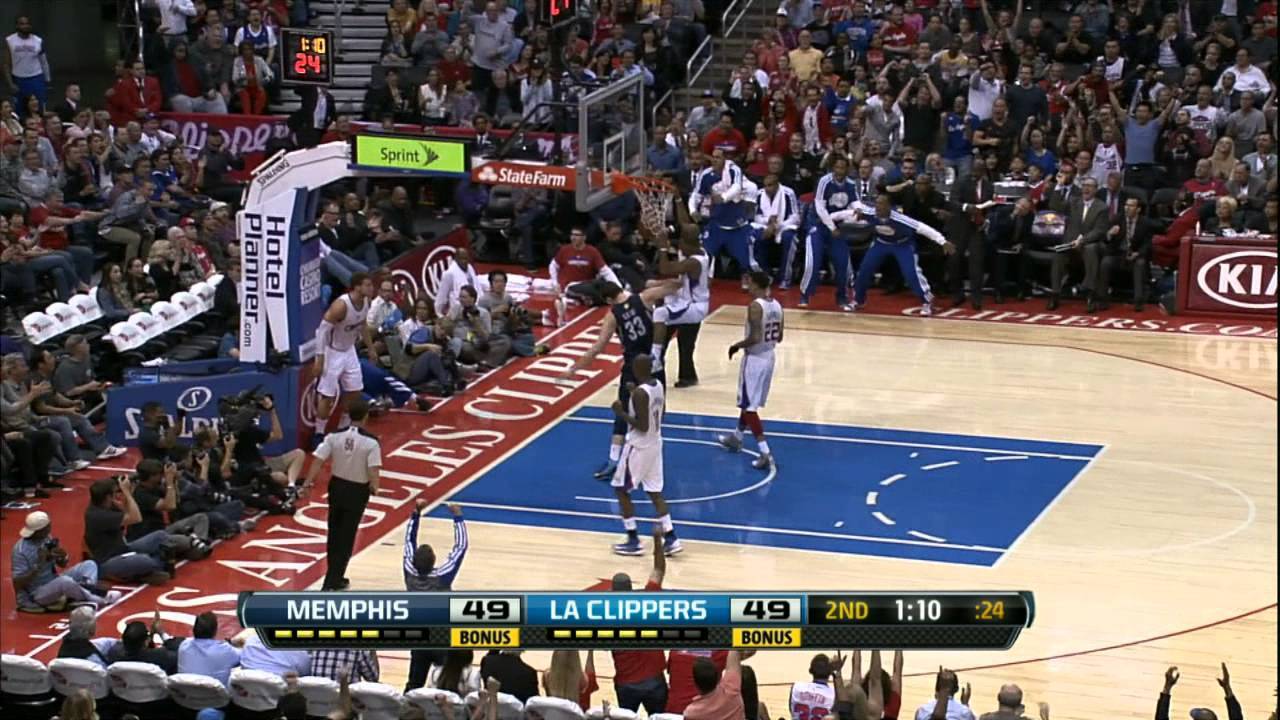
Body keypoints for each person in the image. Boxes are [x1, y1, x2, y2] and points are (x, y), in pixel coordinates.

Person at [559, 282, 669, 480]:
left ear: (609, 299)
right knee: (656, 411)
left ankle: (614, 459)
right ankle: (649, 458)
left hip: (632, 367)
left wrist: (574, 369)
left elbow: (598, 347)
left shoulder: (612, 315)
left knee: (623, 412)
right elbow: (670, 288)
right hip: (654, 364)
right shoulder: (643, 298)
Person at [303, 398, 381, 591]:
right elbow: (373, 469)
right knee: (347, 536)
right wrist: (375, 486)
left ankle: (335, 577)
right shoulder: (371, 442)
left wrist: (307, 482)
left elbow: (318, 460)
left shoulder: (333, 436)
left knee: (334, 533)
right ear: (365, 416)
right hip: (357, 491)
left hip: (337, 487)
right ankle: (331, 581)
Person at [608, 354, 679, 557]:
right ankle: (671, 537)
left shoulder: (640, 393)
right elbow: (660, 413)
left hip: (638, 447)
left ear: (638, 369)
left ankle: (633, 539)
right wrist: (633, 393)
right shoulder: (658, 385)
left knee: (621, 490)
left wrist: (621, 413)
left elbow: (642, 425)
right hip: (655, 444)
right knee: (654, 492)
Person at [717, 271, 783, 472]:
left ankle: (765, 452)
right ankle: (736, 438)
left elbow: (754, 337)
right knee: (748, 402)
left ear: (757, 285)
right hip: (770, 356)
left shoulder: (755, 306)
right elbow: (779, 336)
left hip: (754, 360)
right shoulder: (777, 305)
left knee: (750, 407)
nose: (748, 287)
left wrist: (736, 345)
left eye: (750, 283)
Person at [845, 195, 954, 315]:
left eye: (881, 204)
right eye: (876, 204)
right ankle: (858, 300)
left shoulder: (901, 219)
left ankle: (927, 301)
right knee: (864, 270)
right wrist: (853, 212)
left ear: (889, 207)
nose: (878, 207)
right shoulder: (869, 213)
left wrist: (943, 241)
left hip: (903, 245)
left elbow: (924, 229)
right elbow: (851, 208)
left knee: (911, 273)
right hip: (880, 243)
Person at [403, 500, 468, 691]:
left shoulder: (409, 572)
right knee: (446, 682)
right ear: (433, 560)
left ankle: (405, 706)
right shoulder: (442, 577)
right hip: (441, 637)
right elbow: (461, 547)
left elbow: (408, 541)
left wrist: (416, 513)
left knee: (414, 683)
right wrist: (458, 517)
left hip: (419, 637)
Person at [12, 511, 122, 611]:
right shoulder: (20, 551)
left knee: (89, 564)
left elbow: (62, 564)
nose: (49, 529)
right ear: (38, 531)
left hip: (54, 580)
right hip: (37, 593)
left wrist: (62, 557)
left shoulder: (46, 538)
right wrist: (39, 564)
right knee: (65, 582)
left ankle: (81, 592)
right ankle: (99, 599)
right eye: (47, 528)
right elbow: (17, 583)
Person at [313, 272, 378, 437]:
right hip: (332, 351)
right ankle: (319, 432)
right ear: (357, 287)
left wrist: (371, 348)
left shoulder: (366, 302)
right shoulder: (341, 305)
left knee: (355, 391)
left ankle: (343, 427)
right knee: (327, 396)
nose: (371, 288)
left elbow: (363, 324)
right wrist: (320, 357)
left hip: (349, 350)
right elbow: (322, 331)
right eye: (368, 285)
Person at [652, 230, 711, 388]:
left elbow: (665, 269)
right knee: (684, 343)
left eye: (681, 244)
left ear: (688, 244)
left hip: (693, 306)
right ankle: (686, 376)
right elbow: (686, 226)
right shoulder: (701, 251)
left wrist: (663, 248)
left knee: (660, 314)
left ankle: (655, 358)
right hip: (686, 302)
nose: (679, 247)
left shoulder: (694, 262)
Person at [800, 155, 857, 309]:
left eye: (843, 168)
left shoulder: (851, 184)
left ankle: (842, 297)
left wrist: (858, 209)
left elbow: (855, 202)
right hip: (818, 225)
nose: (840, 171)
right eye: (837, 167)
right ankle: (805, 294)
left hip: (838, 228)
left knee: (843, 263)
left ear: (847, 169)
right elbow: (820, 207)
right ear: (832, 168)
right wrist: (831, 227)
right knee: (813, 263)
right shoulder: (824, 182)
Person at [177, 611, 243, 686]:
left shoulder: (184, 646)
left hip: (187, 692)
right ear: (215, 630)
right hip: (217, 693)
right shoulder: (225, 650)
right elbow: (245, 656)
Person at [683, 650, 745, 720]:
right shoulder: (732, 689)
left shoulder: (691, 713)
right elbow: (734, 654)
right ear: (718, 677)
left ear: (695, 684)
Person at [789, 654, 837, 720]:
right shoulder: (834, 694)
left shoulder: (796, 687)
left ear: (811, 670)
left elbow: (791, 710)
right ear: (830, 672)